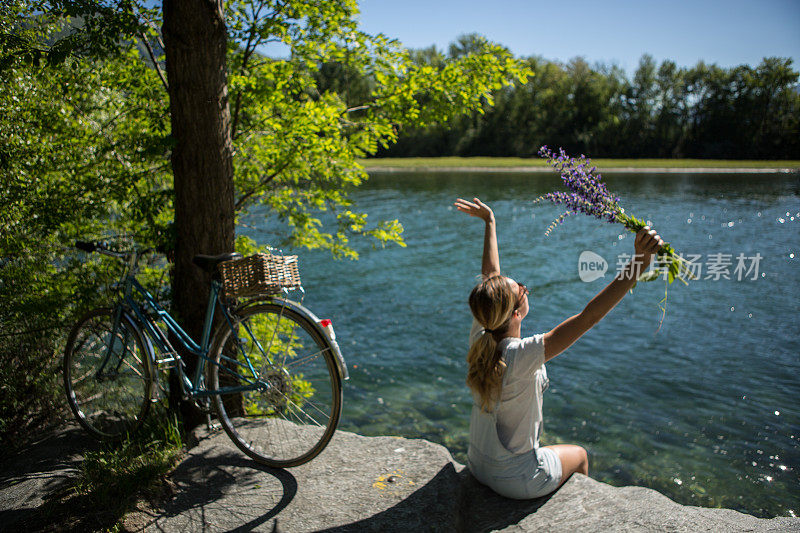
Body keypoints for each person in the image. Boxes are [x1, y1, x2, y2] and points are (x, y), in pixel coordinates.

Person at [455, 197, 664, 500]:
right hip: (516, 481)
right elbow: (589, 316)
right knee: (578, 455)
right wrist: (639, 264)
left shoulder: (482, 332)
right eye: (522, 289)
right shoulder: (522, 355)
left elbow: (491, 280)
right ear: (516, 312)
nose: (525, 289)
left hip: (477, 466)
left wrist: (490, 223)